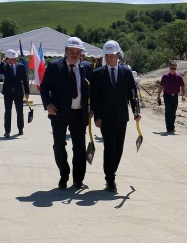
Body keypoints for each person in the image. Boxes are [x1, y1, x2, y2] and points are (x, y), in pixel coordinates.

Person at [40, 37, 94, 189]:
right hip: (58, 113)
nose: (74, 55)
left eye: (78, 52)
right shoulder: (54, 66)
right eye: (72, 51)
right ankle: (64, 175)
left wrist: (92, 109)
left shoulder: (87, 68)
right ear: (65, 51)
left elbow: (93, 91)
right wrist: (48, 104)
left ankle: (78, 180)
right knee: (58, 145)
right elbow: (44, 87)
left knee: (79, 148)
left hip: (79, 113)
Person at [91, 40, 141, 192]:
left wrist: (136, 111)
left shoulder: (126, 73)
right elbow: (95, 97)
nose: (109, 58)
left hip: (121, 117)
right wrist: (97, 117)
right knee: (109, 146)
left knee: (119, 148)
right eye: (107, 56)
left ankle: (112, 172)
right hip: (105, 118)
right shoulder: (98, 74)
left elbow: (132, 94)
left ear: (118, 55)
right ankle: (110, 178)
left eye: (112, 56)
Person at [0, 49, 29, 137]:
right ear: (8, 59)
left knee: (19, 111)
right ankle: (7, 131)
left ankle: (20, 129)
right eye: (13, 58)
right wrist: (3, 61)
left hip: (18, 92)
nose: (15, 59)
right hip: (8, 93)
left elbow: (25, 80)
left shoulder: (21, 66)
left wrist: (27, 92)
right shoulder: (5, 66)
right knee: (8, 112)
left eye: (15, 58)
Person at [156, 60, 185, 133]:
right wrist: (158, 96)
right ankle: (168, 127)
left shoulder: (179, 77)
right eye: (172, 68)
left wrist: (183, 95)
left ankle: (172, 126)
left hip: (175, 96)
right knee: (168, 110)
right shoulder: (165, 76)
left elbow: (182, 86)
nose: (173, 70)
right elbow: (161, 86)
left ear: (176, 68)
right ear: (169, 68)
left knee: (173, 111)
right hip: (167, 95)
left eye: (174, 68)